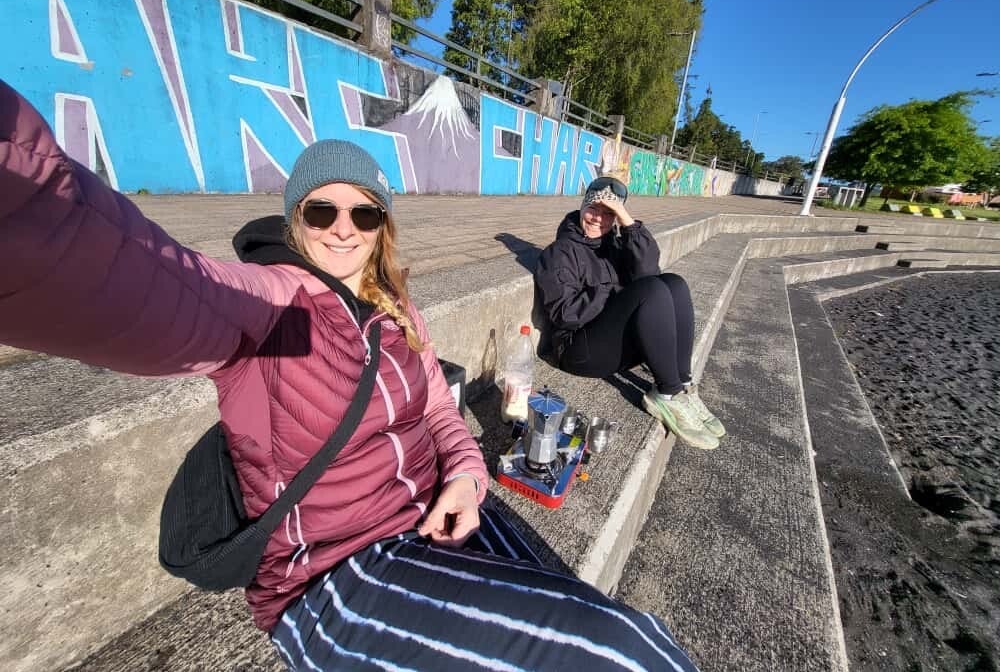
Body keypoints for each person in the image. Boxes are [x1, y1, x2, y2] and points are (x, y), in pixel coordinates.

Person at [0, 79, 699, 671]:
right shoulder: (270, 304)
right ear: (295, 221)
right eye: (321, 210)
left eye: (364, 211)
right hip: (333, 571)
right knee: (617, 654)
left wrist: (465, 474)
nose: (343, 228)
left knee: (606, 622)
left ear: (382, 225)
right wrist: (25, 188)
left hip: (433, 512)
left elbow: (437, 410)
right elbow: (149, 280)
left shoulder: (395, 306)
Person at [534, 176, 725, 450]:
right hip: (577, 351)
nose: (598, 219)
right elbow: (565, 313)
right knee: (650, 291)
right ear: (582, 207)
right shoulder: (559, 253)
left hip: (611, 346)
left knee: (674, 283)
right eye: (593, 209)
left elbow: (650, 271)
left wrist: (628, 222)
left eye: (608, 214)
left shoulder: (613, 244)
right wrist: (616, 294)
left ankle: (683, 384)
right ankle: (667, 394)